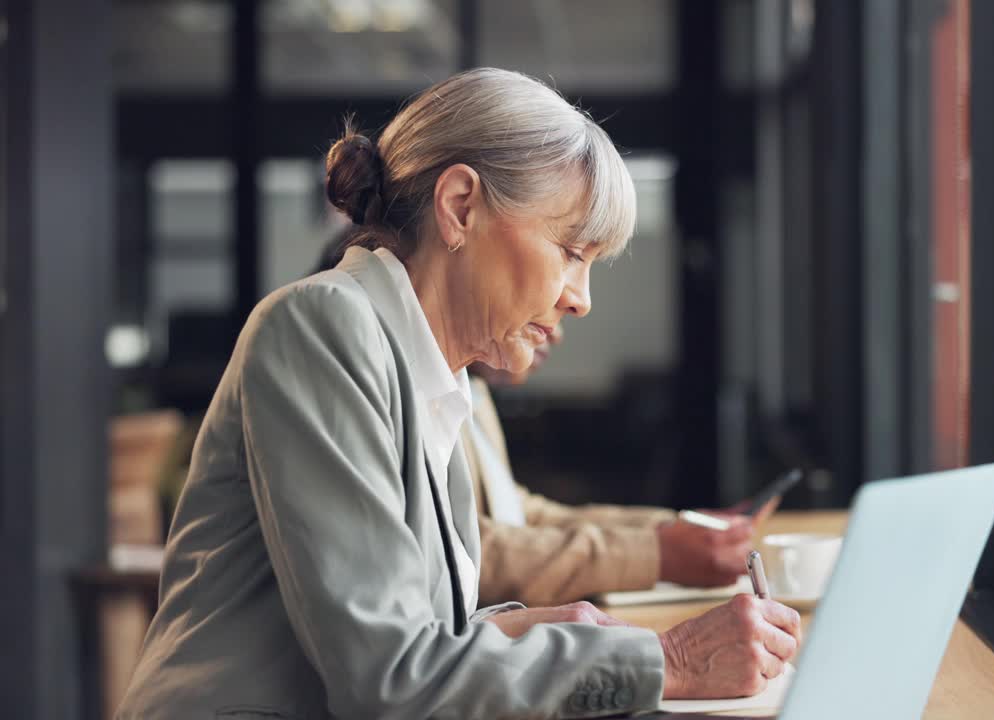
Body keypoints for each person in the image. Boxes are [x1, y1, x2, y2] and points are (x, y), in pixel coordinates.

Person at [116, 68, 800, 720]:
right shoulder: (321, 325)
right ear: (460, 207)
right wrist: (667, 658)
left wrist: (562, 631)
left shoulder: (431, 379)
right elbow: (391, 678)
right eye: (570, 252)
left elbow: (408, 639)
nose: (580, 300)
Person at [465, 325, 768, 607]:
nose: (556, 333)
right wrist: (656, 554)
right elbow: (471, 553)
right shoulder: (433, 396)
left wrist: (676, 528)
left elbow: (521, 514)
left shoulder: (474, 392)